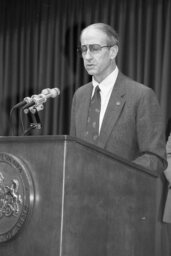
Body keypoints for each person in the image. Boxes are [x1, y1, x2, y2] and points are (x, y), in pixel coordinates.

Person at [70, 23, 167, 173]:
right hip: (81, 191)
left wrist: (117, 174)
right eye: (84, 49)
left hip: (123, 192)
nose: (87, 56)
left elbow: (155, 158)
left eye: (95, 48)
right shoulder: (80, 96)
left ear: (113, 51)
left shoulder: (141, 95)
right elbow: (73, 150)